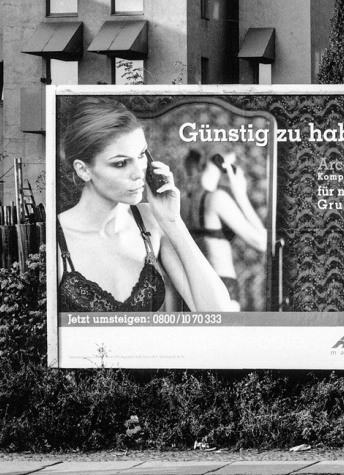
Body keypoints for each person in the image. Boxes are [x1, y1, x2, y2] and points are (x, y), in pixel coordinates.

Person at [56, 97, 233, 314]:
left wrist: (172, 222)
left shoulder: (151, 221)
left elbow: (219, 314)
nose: (139, 172)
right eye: (120, 163)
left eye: (141, 155)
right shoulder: (56, 236)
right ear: (84, 170)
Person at [182, 149, 268, 309]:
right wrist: (241, 196)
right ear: (224, 164)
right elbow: (263, 243)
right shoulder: (217, 198)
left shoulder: (183, 202)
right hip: (222, 286)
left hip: (194, 286)